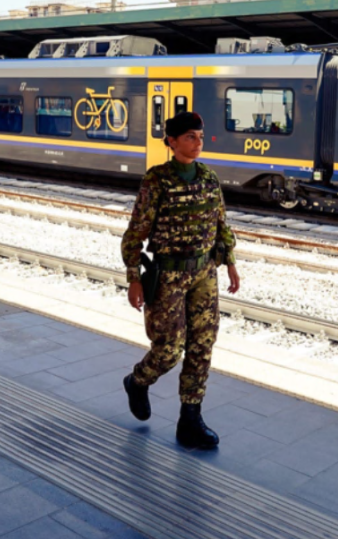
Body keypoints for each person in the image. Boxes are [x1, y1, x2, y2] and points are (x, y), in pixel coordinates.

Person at [121, 111, 241, 450]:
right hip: (169, 275)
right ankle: (138, 381)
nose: (198, 142)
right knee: (169, 349)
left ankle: (190, 419)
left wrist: (230, 262)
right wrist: (134, 278)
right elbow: (135, 233)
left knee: (202, 345)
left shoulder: (208, 178)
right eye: (190, 136)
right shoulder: (157, 180)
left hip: (204, 273)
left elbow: (221, 224)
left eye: (200, 136)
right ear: (172, 142)